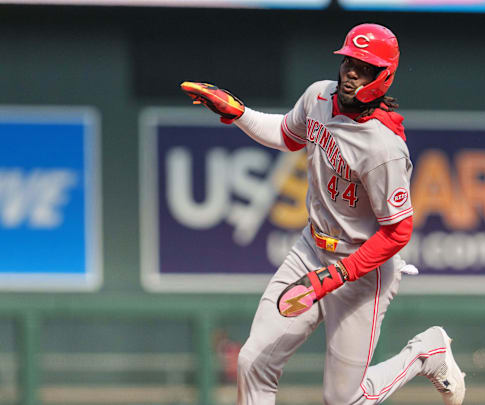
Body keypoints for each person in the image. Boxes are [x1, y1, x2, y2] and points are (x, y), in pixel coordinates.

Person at [181, 23, 466, 405]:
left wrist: (338, 275)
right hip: (312, 249)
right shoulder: (319, 95)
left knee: (344, 399)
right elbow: (287, 134)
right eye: (349, 61)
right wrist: (240, 113)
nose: (351, 71)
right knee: (253, 361)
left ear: (384, 76)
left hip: (359, 270)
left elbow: (398, 233)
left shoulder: (384, 148)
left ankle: (425, 353)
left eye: (365, 67)